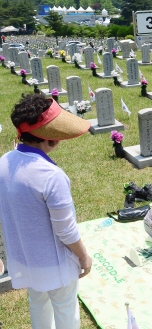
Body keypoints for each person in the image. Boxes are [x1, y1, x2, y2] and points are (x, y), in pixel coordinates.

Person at [0, 94, 92, 328]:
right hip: (55, 263)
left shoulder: (4, 162)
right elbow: (66, 231)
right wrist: (83, 257)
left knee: (38, 304)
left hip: (25, 257)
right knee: (65, 311)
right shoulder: (51, 176)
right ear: (50, 138)